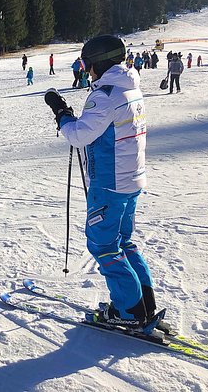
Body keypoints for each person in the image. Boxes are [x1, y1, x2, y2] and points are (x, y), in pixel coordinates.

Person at [43, 35, 155, 328]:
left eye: (87, 64)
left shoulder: (104, 94)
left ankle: (129, 311)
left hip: (109, 183)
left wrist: (61, 114)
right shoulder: (130, 88)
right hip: (130, 179)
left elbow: (79, 135)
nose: (87, 70)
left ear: (97, 63)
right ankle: (143, 303)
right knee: (124, 242)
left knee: (104, 246)